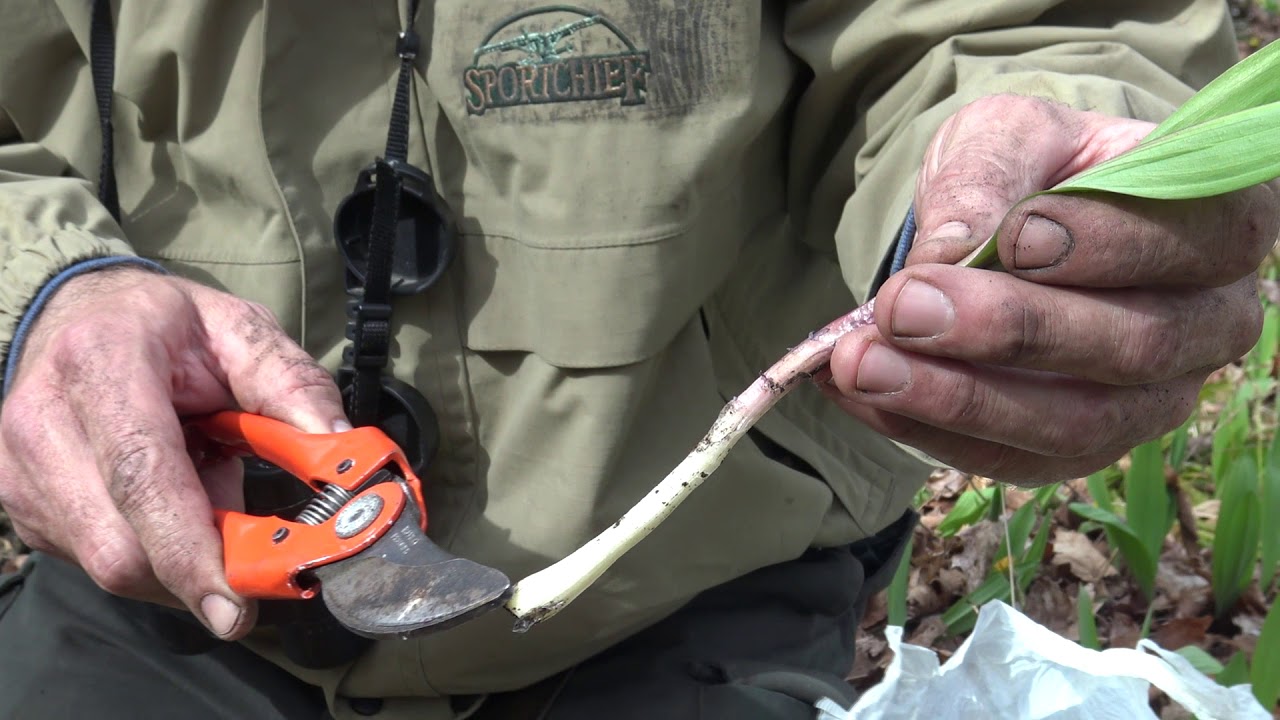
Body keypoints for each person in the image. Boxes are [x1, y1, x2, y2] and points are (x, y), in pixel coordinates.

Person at [0, 1, 1274, 718]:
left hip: (690, 581)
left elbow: (1015, 26)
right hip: (159, 582)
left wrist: (1020, 200)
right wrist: (37, 288)